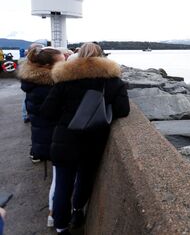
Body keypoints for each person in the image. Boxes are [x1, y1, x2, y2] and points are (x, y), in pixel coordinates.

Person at [41, 43, 130, 233]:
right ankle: (77, 212)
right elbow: (123, 111)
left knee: (63, 186)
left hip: (65, 140)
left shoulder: (64, 79)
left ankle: (61, 228)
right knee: (84, 179)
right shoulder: (112, 80)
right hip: (94, 141)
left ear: (79, 56)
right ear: (102, 56)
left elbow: (47, 112)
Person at [17, 46, 63, 227]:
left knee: (58, 178)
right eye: (61, 62)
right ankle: (55, 216)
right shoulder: (49, 87)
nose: (66, 65)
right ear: (47, 66)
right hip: (54, 139)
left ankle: (55, 215)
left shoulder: (33, 84)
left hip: (43, 138)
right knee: (60, 180)